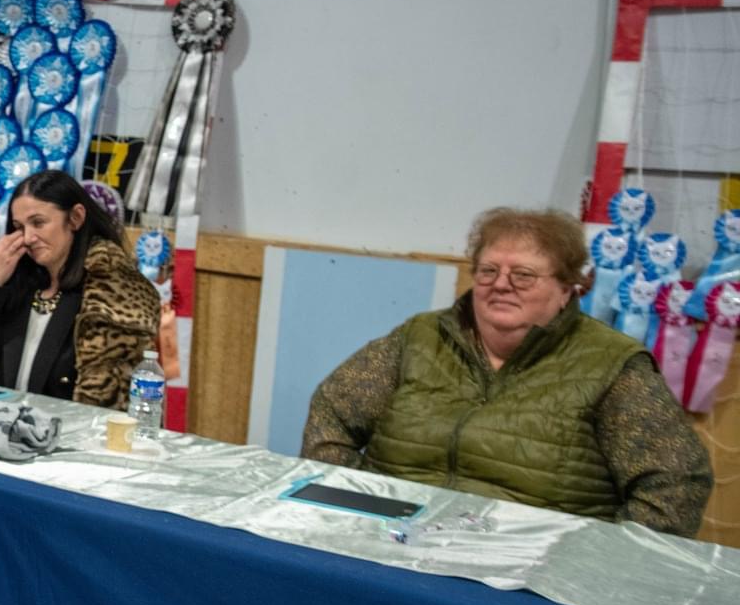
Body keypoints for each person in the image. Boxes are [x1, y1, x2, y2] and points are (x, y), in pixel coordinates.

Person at [302, 206, 710, 534]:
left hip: (527, 578)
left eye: (524, 275)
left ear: (567, 289)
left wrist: (593, 565)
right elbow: (332, 412)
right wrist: (352, 507)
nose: (501, 284)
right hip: (388, 541)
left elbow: (674, 484)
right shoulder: (420, 337)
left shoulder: (612, 364)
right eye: (488, 270)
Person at [0, 170, 160, 404]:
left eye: (38, 223)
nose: (28, 237)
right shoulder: (17, 281)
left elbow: (108, 396)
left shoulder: (111, 291)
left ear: (76, 218)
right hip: (2, 427)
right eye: (19, 227)